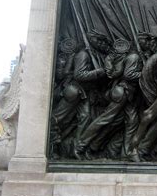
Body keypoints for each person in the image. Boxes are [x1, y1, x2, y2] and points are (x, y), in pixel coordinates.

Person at [73, 38, 144, 161]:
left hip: (129, 94)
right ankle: (80, 147)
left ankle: (127, 153)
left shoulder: (126, 57)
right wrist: (145, 73)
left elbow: (114, 73)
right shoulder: (133, 57)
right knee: (104, 119)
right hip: (122, 92)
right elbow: (128, 74)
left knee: (132, 121)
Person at [51, 30, 110, 158]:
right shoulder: (83, 54)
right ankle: (51, 147)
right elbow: (79, 75)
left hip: (84, 94)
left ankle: (77, 150)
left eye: (101, 41)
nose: (100, 43)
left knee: (86, 118)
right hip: (74, 91)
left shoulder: (94, 54)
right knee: (58, 119)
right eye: (98, 41)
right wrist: (99, 72)